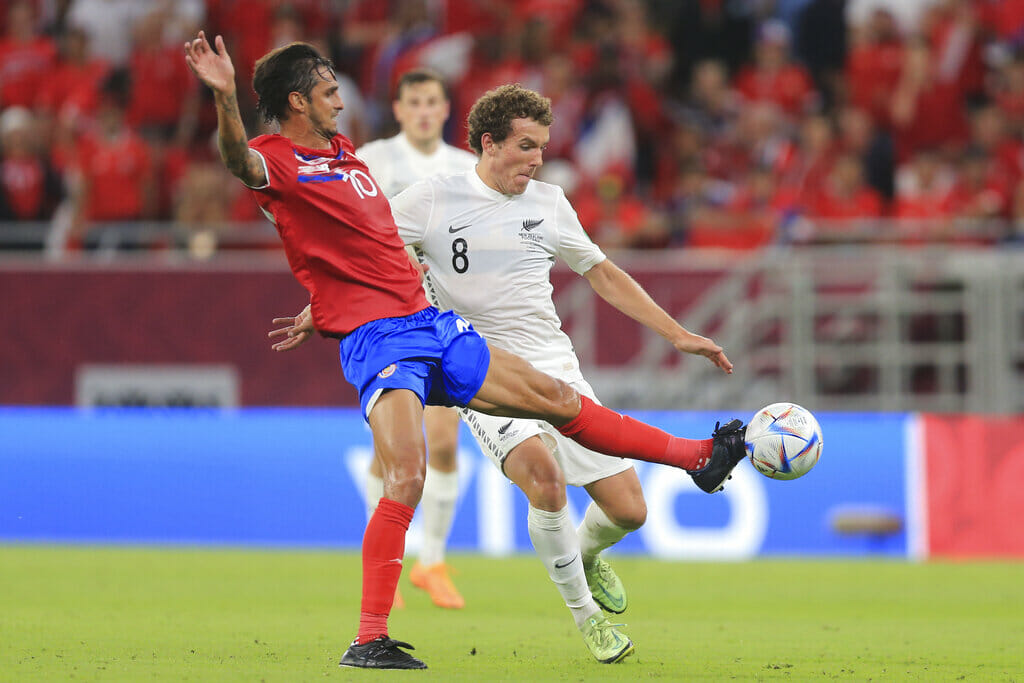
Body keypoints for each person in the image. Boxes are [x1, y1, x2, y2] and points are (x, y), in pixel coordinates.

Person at [184, 33, 746, 670]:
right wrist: (226, 97)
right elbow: (238, 163)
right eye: (329, 92)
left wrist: (327, 298)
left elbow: (372, 244)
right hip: (380, 340)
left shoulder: (345, 157)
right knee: (412, 475)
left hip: (430, 325)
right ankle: (369, 639)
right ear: (295, 102)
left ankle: (698, 456)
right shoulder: (275, 159)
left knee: (559, 401)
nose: (342, 102)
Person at [356, 68, 477, 610]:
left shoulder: (465, 168)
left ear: (446, 108)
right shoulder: (372, 160)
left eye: (433, 101)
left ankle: (432, 561)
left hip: (443, 315)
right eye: (415, 102)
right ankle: (388, 559)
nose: (425, 110)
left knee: (445, 443)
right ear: (399, 110)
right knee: (391, 455)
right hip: (385, 317)